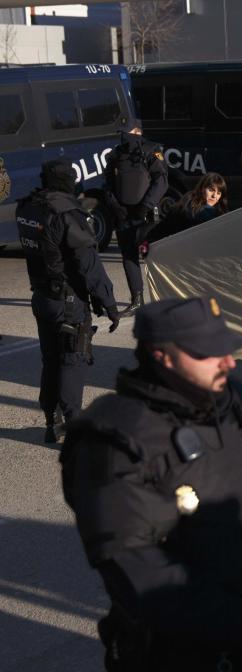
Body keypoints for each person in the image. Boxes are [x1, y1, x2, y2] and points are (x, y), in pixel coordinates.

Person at [60, 296, 242, 671]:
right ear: (162, 355)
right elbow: (139, 570)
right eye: (209, 354)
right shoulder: (116, 440)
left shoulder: (237, 402)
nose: (229, 362)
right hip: (183, 655)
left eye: (227, 349)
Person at [15, 159, 120, 443]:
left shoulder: (27, 206)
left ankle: (52, 421)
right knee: (73, 361)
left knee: (51, 360)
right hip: (68, 301)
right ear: (69, 181)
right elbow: (88, 265)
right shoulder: (67, 214)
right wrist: (108, 304)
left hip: (42, 296)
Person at [105, 125, 169, 316]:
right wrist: (115, 206)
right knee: (129, 258)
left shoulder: (150, 150)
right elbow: (108, 183)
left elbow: (161, 181)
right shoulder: (117, 154)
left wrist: (145, 206)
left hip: (146, 216)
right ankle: (137, 300)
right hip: (124, 214)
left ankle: (165, 300)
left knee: (155, 258)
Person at [152, 172, 229, 241]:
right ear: (202, 188)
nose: (214, 196)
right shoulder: (184, 207)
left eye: (218, 193)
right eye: (211, 190)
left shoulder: (223, 217)